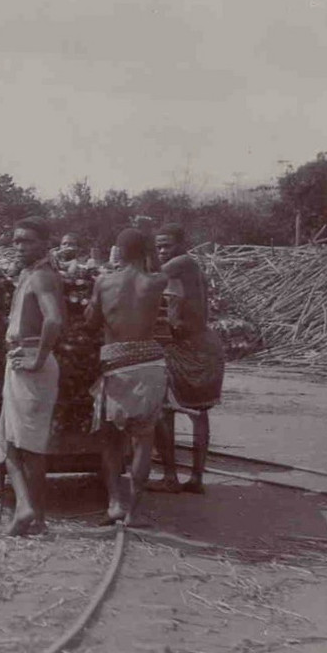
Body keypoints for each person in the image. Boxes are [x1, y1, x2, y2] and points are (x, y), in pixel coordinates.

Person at [0, 217, 66, 536]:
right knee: (16, 439)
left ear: (45, 243)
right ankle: (37, 516)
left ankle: (25, 507)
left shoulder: (42, 276)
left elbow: (55, 320)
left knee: (22, 445)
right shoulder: (30, 274)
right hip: (22, 358)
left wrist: (38, 359)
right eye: (16, 241)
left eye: (27, 241)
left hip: (29, 361)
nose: (19, 247)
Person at [84, 228, 171, 525]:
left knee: (111, 440)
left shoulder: (103, 282)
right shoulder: (157, 281)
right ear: (147, 250)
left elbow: (90, 321)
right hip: (150, 363)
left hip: (116, 364)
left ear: (118, 251)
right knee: (144, 439)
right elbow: (157, 268)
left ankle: (114, 503)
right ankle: (134, 511)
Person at [152, 222, 227, 494]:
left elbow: (148, 279)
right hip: (200, 347)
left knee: (165, 411)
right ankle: (195, 478)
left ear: (181, 245)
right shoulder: (187, 269)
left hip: (190, 348)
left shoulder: (181, 263)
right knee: (196, 414)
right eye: (158, 246)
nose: (161, 251)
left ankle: (172, 476)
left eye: (166, 245)